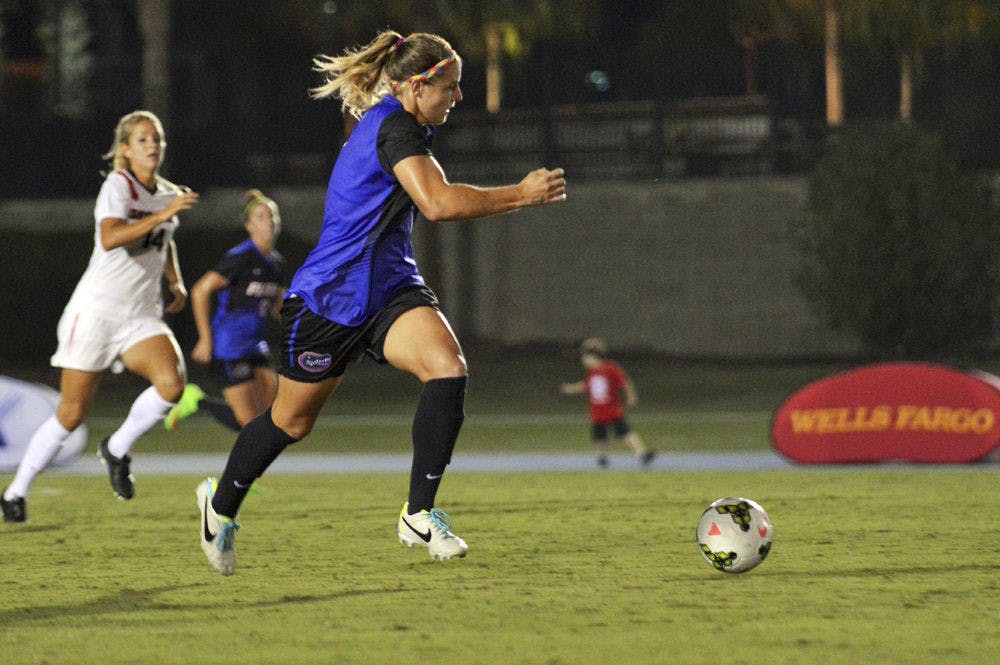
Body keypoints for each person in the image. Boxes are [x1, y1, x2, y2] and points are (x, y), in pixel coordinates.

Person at [196, 29, 566, 574]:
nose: (457, 97)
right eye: (452, 87)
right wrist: (522, 193)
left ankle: (418, 513)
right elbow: (437, 203)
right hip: (330, 299)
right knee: (290, 423)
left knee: (447, 368)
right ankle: (219, 506)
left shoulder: (407, 123)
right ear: (417, 85)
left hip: (389, 289)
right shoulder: (394, 127)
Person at [1, 110, 200, 523]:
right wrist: (163, 214)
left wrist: (175, 280)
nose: (152, 145)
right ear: (125, 149)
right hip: (96, 312)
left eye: (157, 138)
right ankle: (16, 492)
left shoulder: (165, 192)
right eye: (142, 139)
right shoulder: (118, 185)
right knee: (71, 414)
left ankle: (116, 448)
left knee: (172, 384)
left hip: (140, 316)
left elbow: (165, 240)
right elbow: (111, 236)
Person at [165, 189, 285, 432]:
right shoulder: (240, 258)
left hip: (256, 345)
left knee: (274, 417)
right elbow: (200, 291)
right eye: (261, 216)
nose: (269, 221)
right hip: (228, 347)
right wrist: (205, 340)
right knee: (249, 425)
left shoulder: (277, 262)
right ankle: (197, 400)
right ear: (248, 225)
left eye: (272, 216)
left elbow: (279, 305)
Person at [559, 338, 655, 468]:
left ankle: (642, 454)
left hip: (613, 410)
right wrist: (570, 388)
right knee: (600, 436)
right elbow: (586, 386)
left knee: (626, 432)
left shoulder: (610, 368)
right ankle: (602, 457)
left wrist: (631, 397)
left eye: (586, 358)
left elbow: (625, 383)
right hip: (598, 412)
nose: (584, 362)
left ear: (594, 357)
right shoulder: (591, 373)